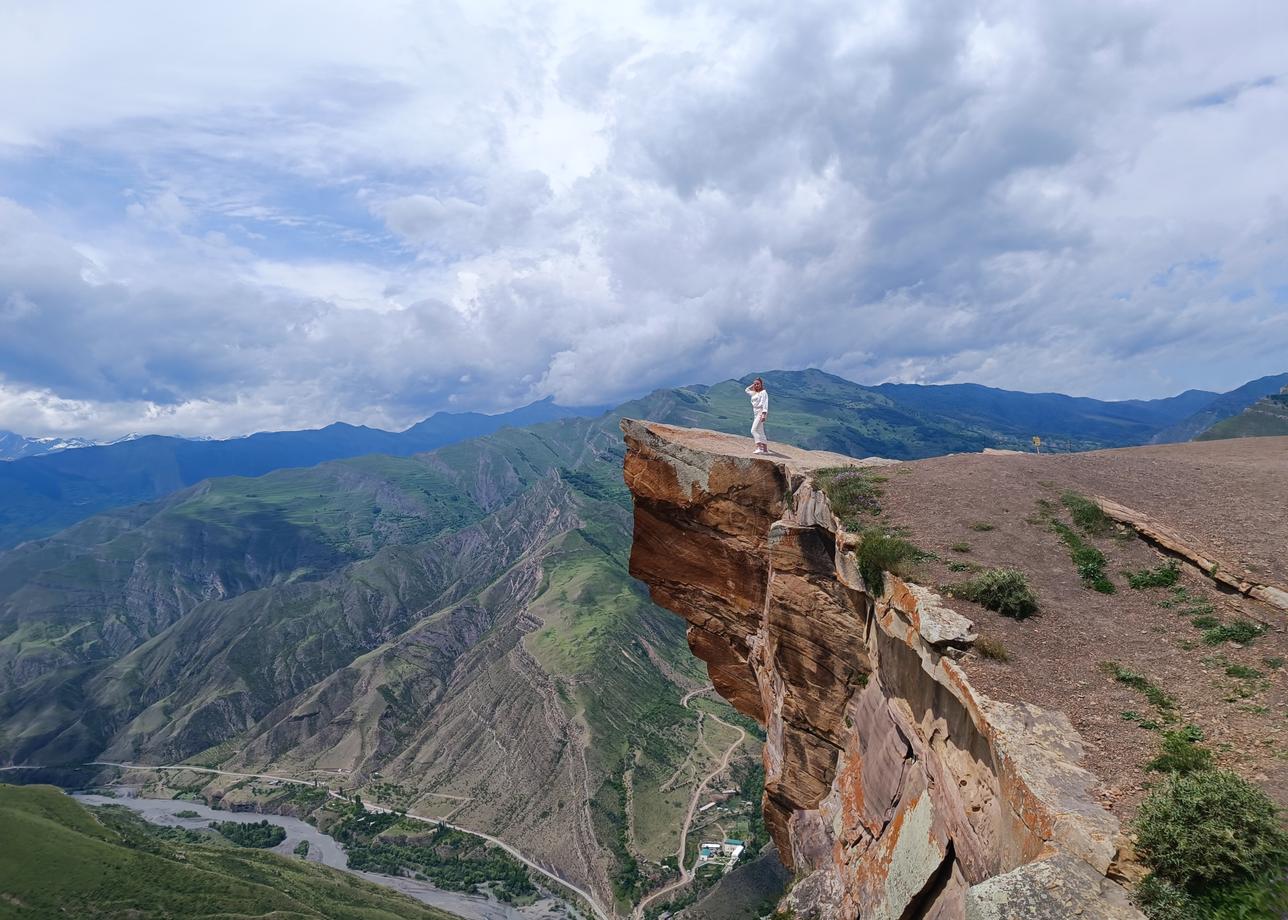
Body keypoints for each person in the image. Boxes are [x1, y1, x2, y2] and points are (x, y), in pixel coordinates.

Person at [745, 377, 769, 454]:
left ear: (761, 384)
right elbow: (746, 390)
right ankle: (765, 450)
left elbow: (765, 404)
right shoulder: (754, 393)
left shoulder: (763, 392)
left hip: (760, 412)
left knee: (753, 430)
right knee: (760, 431)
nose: (756, 385)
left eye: (758, 384)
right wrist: (753, 384)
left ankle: (759, 447)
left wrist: (764, 415)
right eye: (755, 384)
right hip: (755, 412)